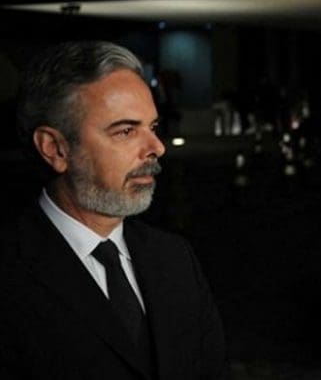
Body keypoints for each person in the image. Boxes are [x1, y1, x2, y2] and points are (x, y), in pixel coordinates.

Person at [0, 41, 227, 379]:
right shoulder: (10, 273)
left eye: (151, 127)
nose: (156, 147)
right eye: (125, 130)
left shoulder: (174, 258)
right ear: (55, 148)